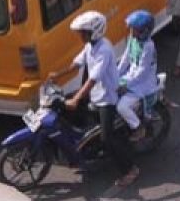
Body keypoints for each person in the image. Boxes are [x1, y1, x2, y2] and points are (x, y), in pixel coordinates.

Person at [47, 11, 139, 188]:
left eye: (82, 32)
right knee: (63, 107)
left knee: (107, 138)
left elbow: (92, 79)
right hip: (96, 94)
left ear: (93, 32)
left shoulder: (103, 50)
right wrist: (57, 75)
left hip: (107, 99)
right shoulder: (91, 46)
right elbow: (77, 63)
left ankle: (130, 170)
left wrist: (76, 98)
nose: (80, 35)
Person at [116, 10, 159, 142]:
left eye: (134, 29)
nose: (131, 32)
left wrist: (125, 84)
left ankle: (138, 128)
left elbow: (142, 72)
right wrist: (115, 75)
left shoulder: (148, 46)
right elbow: (125, 59)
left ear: (144, 31)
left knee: (122, 106)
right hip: (131, 78)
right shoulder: (132, 40)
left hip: (143, 84)